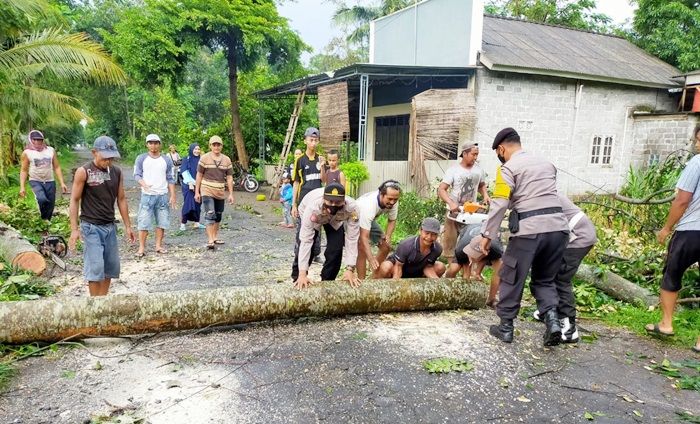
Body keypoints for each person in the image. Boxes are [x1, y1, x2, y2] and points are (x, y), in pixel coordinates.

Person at [480, 128, 569, 346]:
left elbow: (500, 202)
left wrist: (487, 234)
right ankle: (553, 321)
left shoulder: (507, 168)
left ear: (501, 149)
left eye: (499, 153)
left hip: (529, 231)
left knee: (512, 275)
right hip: (558, 229)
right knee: (545, 279)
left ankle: (506, 327)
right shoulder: (546, 164)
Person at [645, 126, 700, 354]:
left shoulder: (697, 162)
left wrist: (666, 228)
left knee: (672, 272)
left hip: (691, 230)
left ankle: (666, 324)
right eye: (696, 140)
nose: (697, 144)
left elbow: (681, 200)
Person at [68, 136, 135, 296]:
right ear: (94, 152)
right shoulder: (84, 172)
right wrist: (74, 229)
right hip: (91, 226)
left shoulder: (117, 172)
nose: (108, 161)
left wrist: (128, 226)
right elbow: (74, 200)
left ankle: (102, 302)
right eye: (105, 157)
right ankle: (95, 304)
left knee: (110, 267)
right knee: (95, 267)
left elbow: (121, 199)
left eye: (111, 158)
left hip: (109, 226)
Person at [532, 195, 597, 343]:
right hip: (574, 234)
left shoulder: (543, 196)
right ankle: (550, 312)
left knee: (560, 277)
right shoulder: (544, 191)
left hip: (578, 237)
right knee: (550, 273)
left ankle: (568, 327)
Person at [293, 183, 361, 289]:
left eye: (338, 202)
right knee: (309, 246)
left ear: (344, 201)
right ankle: (298, 278)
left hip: (336, 221)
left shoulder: (352, 208)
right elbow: (306, 240)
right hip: (315, 216)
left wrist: (350, 269)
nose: (333, 205)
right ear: (324, 199)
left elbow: (352, 238)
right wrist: (302, 274)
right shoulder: (312, 208)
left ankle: (328, 282)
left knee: (336, 249)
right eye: (330, 201)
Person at [438, 142, 490, 260]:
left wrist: (485, 195)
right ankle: (451, 270)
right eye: (473, 154)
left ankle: (467, 270)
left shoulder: (479, 170)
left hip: (471, 213)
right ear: (465, 153)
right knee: (449, 245)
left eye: (477, 154)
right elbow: (441, 189)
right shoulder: (453, 170)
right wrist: (451, 203)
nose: (476, 157)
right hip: (454, 213)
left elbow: (481, 185)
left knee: (469, 242)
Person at [133, 134, 177, 257]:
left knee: (162, 222)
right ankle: (141, 248)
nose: (153, 145)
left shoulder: (166, 160)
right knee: (144, 222)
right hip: (147, 195)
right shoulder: (141, 158)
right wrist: (143, 184)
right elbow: (137, 174)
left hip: (162, 195)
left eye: (156, 143)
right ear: (147, 144)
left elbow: (170, 178)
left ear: (159, 144)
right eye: (150, 143)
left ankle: (158, 245)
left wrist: (172, 195)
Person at [446, 223, 503, 307]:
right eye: (471, 253)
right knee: (454, 269)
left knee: (500, 268)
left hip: (489, 239)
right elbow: (466, 273)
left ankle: (491, 299)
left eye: (474, 255)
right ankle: (447, 288)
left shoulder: (496, 250)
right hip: (468, 233)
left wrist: (477, 273)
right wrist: (467, 279)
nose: (472, 257)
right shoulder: (461, 250)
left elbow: (489, 259)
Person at [291, 127, 325, 265]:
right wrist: (294, 204)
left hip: (318, 201)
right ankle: (299, 254)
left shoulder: (320, 158)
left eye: (316, 140)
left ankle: (316, 254)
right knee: (302, 228)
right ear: (305, 141)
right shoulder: (300, 160)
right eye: (311, 140)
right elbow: (296, 183)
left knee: (317, 227)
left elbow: (323, 180)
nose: (313, 143)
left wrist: (322, 166)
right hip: (303, 200)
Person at [194, 135, 235, 250]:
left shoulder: (226, 160)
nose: (216, 147)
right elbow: (199, 175)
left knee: (218, 215)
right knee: (210, 213)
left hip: (220, 191)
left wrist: (231, 194)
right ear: (210, 146)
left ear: (221, 146)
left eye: (218, 145)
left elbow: (229, 177)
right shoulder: (204, 158)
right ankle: (210, 239)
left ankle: (215, 237)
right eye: (214, 145)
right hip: (207, 189)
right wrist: (197, 191)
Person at [355, 180, 401, 279]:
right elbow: (364, 237)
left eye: (395, 199)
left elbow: (392, 220)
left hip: (370, 220)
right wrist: (371, 258)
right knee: (362, 249)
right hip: (354, 217)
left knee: (386, 246)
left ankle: (374, 278)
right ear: (381, 194)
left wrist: (388, 236)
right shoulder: (369, 205)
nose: (392, 202)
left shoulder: (393, 201)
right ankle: (362, 283)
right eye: (390, 199)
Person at [19, 130, 68, 221]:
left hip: (50, 180)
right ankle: (43, 219)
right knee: (42, 199)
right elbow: (24, 170)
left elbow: (56, 167)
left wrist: (62, 183)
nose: (37, 142)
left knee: (51, 204)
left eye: (40, 140)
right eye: (35, 140)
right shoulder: (27, 153)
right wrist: (22, 187)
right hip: (35, 180)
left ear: (43, 140)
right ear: (31, 140)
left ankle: (47, 222)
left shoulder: (50, 150)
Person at [376, 217, 445, 279]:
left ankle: (421, 287)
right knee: (385, 267)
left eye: (434, 234)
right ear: (420, 231)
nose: (429, 237)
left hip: (417, 270)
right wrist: (396, 285)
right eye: (427, 233)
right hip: (399, 268)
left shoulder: (437, 249)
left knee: (440, 267)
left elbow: (428, 267)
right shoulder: (406, 245)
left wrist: (437, 281)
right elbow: (398, 266)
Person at [179, 143, 205, 230]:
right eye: (195, 149)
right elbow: (184, 171)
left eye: (198, 149)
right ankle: (183, 224)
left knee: (198, 204)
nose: (197, 151)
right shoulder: (186, 159)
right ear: (191, 149)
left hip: (199, 185)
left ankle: (196, 223)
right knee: (188, 204)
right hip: (189, 185)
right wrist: (190, 182)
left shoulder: (202, 159)